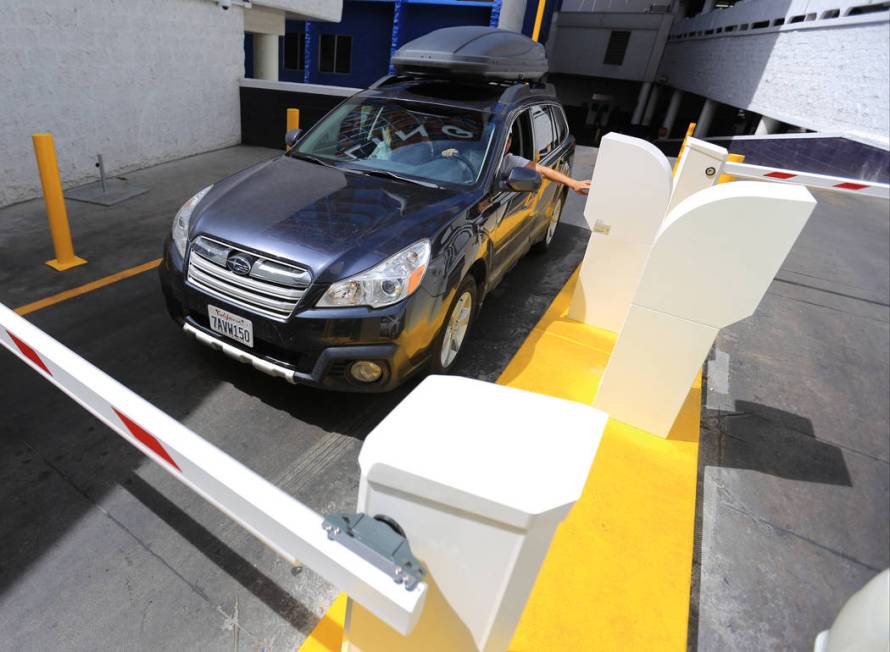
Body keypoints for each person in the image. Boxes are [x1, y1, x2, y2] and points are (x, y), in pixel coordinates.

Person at [499, 133, 590, 195]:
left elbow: (543, 171)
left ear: (510, 142)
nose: (502, 146)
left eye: (506, 141)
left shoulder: (509, 161)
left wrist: (574, 183)